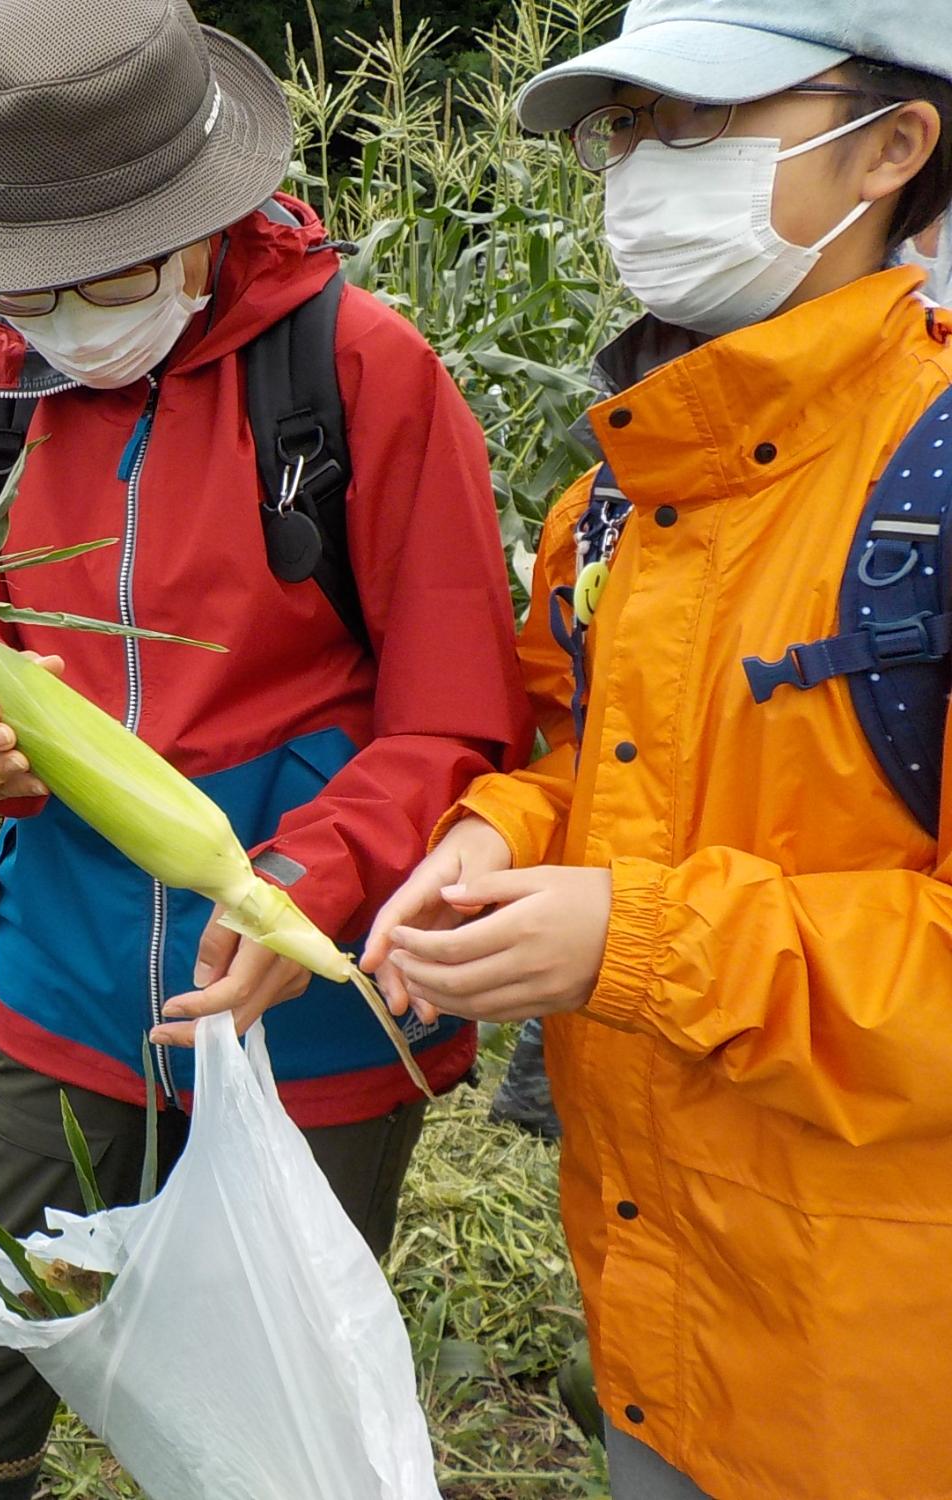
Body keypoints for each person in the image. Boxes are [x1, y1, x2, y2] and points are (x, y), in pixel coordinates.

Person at [0, 1, 530, 1492]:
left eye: (92, 277)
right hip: (74, 973)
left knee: (284, 1365)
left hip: (321, 980)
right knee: (4, 1338)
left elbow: (458, 709)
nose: (51, 319)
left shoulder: (357, 370)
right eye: (17, 287)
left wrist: (309, 877)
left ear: (201, 216)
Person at [364, 8, 952, 1496]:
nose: (639, 167)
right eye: (624, 128)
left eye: (697, 122)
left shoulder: (925, 490)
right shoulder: (620, 502)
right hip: (663, 1314)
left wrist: (636, 944)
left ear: (893, 146)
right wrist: (500, 831)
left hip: (887, 1380)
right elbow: (594, 762)